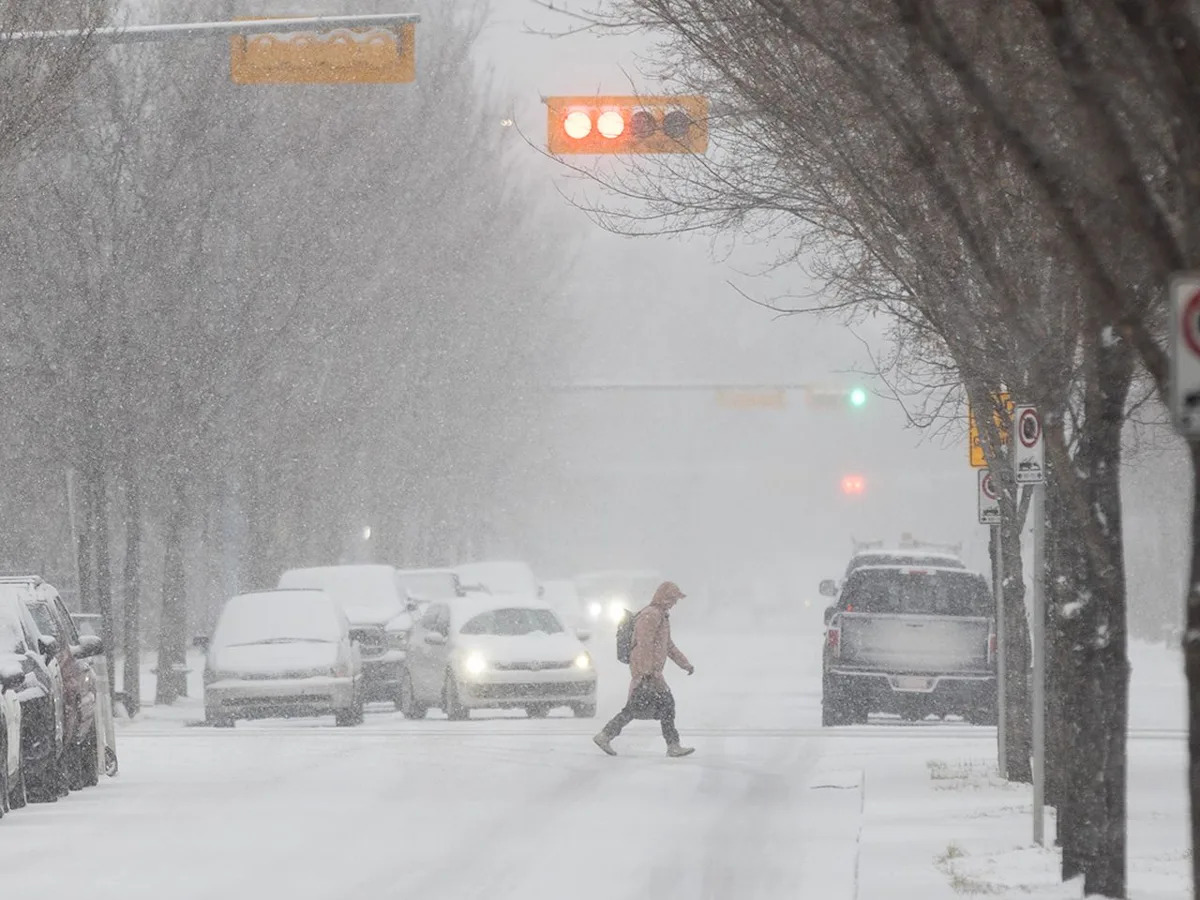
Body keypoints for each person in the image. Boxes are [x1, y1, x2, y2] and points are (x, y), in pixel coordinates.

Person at [593, 581, 695, 757]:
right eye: (673, 599)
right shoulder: (650, 616)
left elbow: (668, 646)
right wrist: (646, 673)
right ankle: (672, 745)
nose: (674, 603)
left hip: (652, 673)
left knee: (643, 708)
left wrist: (684, 664)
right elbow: (643, 645)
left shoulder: (661, 616)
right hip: (646, 673)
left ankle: (606, 735)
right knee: (660, 706)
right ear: (664, 598)